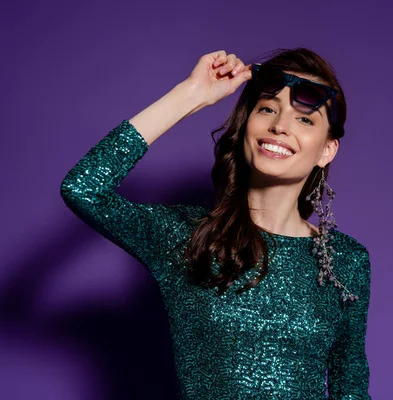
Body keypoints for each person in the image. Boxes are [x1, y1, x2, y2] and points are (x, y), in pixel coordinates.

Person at [60, 48, 372, 399]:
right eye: (268, 109)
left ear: (326, 150)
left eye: (305, 119)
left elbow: (351, 389)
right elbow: (84, 188)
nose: (280, 126)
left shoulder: (345, 260)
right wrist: (191, 94)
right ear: (245, 128)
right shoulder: (186, 237)